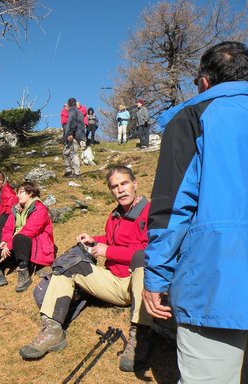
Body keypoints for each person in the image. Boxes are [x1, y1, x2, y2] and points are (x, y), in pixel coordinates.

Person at [143, 41, 248, 384]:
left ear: (204, 81)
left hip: (216, 283)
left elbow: (173, 208)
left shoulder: (193, 116)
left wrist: (156, 277)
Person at [19, 166, 152, 372]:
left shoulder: (150, 211)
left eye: (124, 183)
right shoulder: (115, 214)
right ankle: (53, 329)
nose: (120, 190)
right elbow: (112, 240)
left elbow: (150, 250)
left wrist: (107, 250)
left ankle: (140, 335)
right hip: (113, 282)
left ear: (135, 183)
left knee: (144, 263)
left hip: (140, 284)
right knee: (68, 264)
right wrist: (94, 240)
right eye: (114, 187)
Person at [0, 181, 55, 293]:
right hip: (15, 246)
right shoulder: (16, 209)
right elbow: (8, 228)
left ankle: (24, 272)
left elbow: (30, 230)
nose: (18, 195)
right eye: (17, 193)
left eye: (21, 192)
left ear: (30, 193)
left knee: (20, 237)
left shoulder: (40, 208)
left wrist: (8, 245)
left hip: (33, 247)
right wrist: (4, 241)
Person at [62, 98, 86, 178]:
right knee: (66, 153)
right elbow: (82, 126)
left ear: (68, 105)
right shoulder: (80, 112)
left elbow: (72, 122)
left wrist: (70, 134)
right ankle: (68, 171)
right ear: (75, 104)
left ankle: (76, 173)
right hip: (79, 135)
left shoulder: (72, 111)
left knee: (73, 154)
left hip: (74, 135)